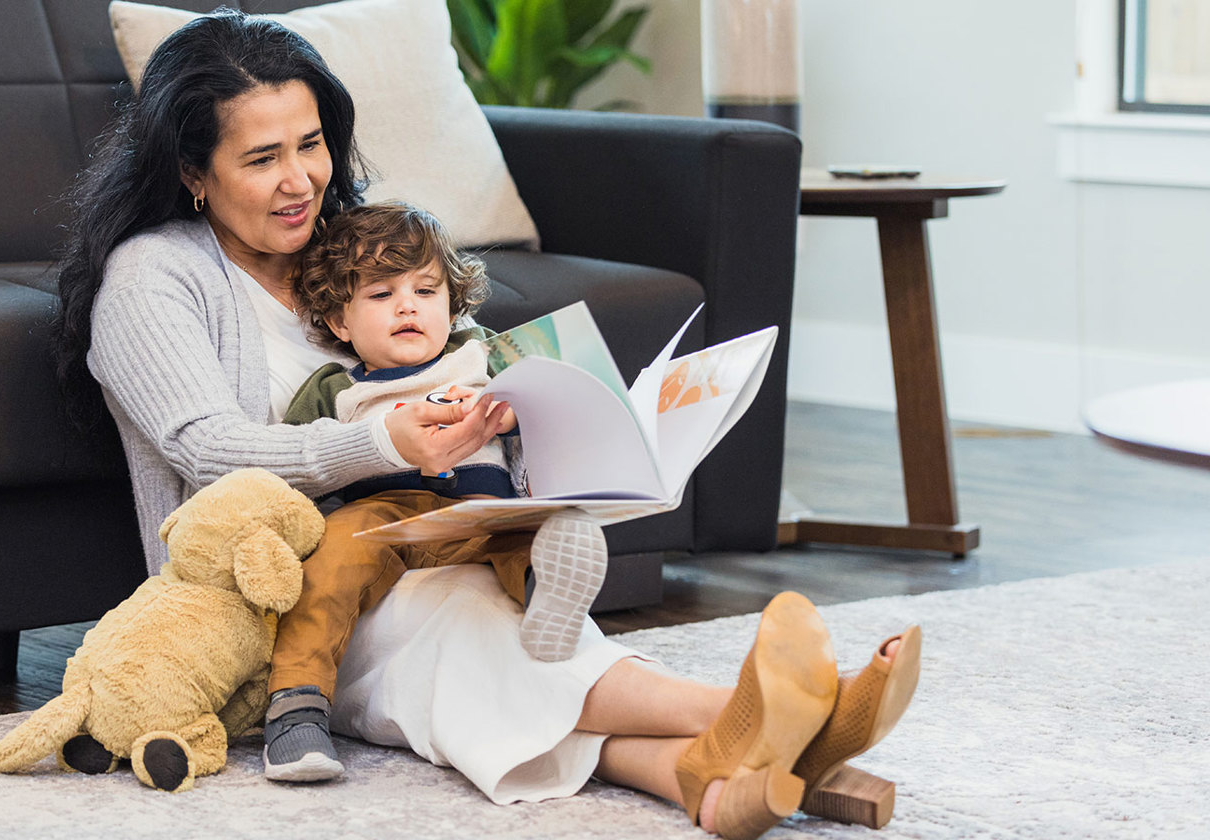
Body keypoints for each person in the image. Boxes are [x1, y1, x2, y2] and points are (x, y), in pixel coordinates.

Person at [50, 11, 920, 839]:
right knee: (460, 620)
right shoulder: (152, 277)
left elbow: (460, 355)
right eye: (262, 158)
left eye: (312, 144)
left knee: (511, 598)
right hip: (287, 604)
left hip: (438, 533)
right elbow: (205, 451)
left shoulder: (350, 248)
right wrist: (383, 443)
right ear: (193, 174)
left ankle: (712, 778)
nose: (300, 180)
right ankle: (773, 714)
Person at [263, 200, 609, 780]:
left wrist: (515, 416)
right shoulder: (336, 387)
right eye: (380, 295)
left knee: (536, 530)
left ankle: (549, 598)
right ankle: (296, 710)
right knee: (326, 567)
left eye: (426, 291)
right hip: (383, 516)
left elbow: (559, 402)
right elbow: (296, 463)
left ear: (453, 304)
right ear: (339, 322)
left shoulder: (483, 356)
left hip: (484, 509)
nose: (407, 306)